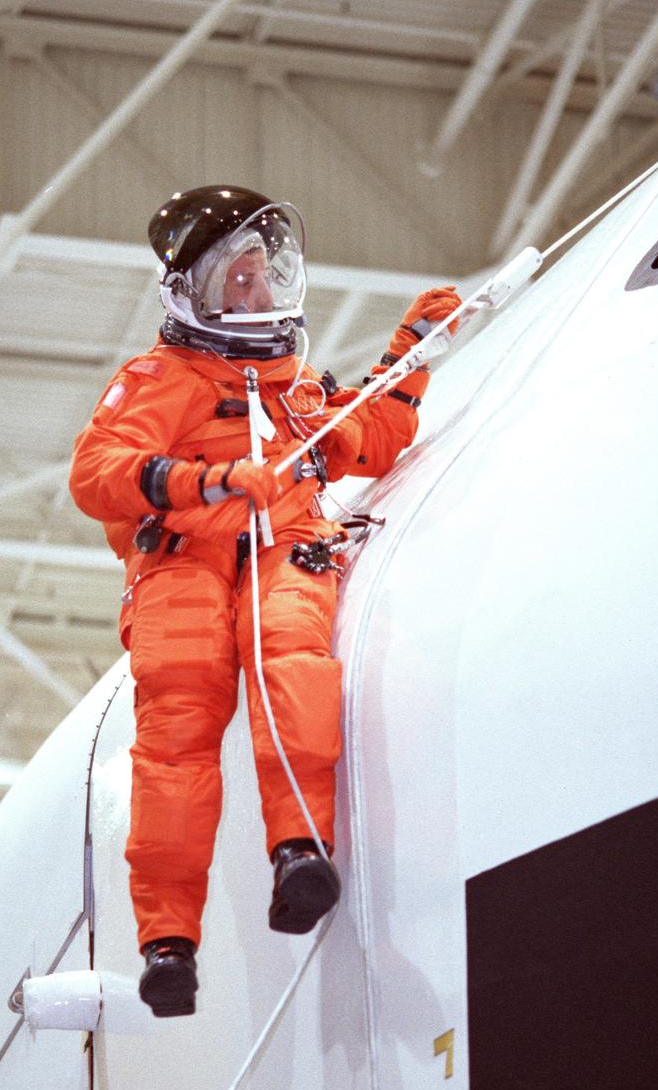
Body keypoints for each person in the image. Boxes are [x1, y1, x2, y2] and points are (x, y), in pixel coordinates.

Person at [69, 186, 460, 1017]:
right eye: (234, 284)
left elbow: (369, 436)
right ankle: (167, 943)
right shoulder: (158, 379)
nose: (254, 296)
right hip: (184, 557)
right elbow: (99, 473)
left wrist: (412, 353)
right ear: (193, 296)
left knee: (294, 661)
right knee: (177, 725)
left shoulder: (295, 388)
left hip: (285, 544)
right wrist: (206, 480)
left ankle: (298, 854)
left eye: (261, 276)